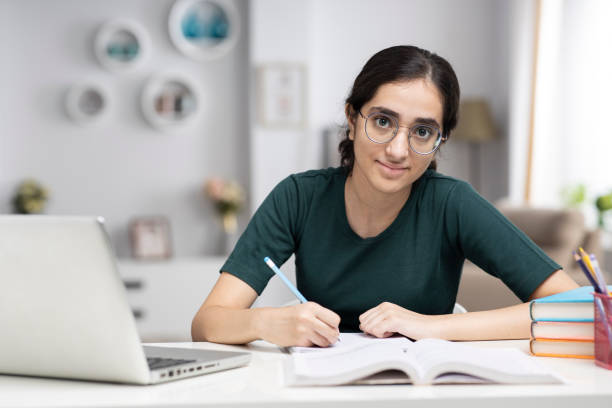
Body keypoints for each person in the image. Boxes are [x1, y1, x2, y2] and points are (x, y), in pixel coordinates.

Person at [191, 45, 578, 347]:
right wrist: (264, 322)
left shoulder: (452, 203)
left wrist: (428, 326)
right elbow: (207, 323)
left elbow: (577, 308)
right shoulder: (298, 197)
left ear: (441, 140)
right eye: (382, 121)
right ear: (351, 118)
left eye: (422, 132)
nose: (397, 149)